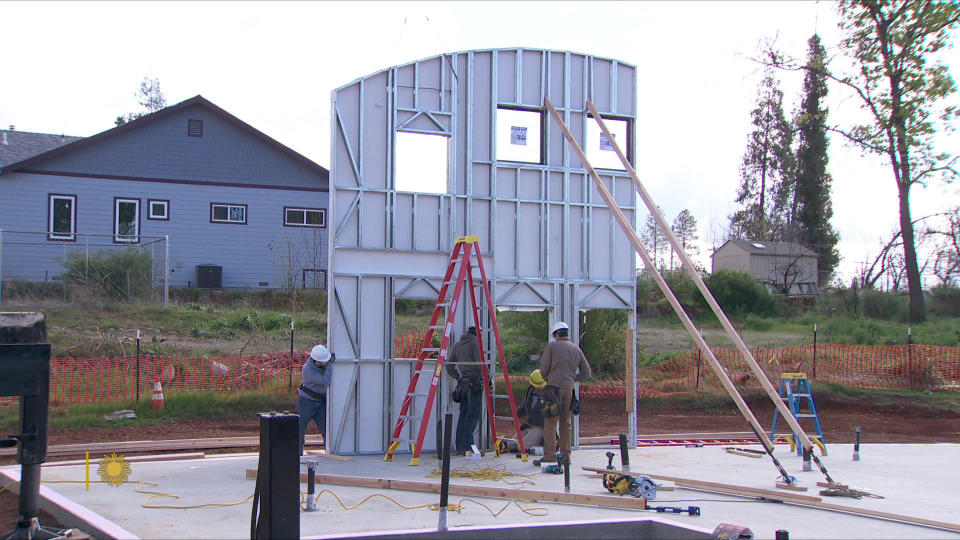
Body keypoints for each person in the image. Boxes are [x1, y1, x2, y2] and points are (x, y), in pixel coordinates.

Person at [535, 321, 591, 467]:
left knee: (550, 423)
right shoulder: (576, 349)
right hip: (569, 390)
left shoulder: (552, 347)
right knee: (566, 423)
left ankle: (549, 456)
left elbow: (543, 369)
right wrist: (572, 379)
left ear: (557, 334)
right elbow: (587, 373)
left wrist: (548, 377)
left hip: (553, 390)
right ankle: (566, 456)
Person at [445, 326, 484, 455]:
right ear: (478, 334)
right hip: (475, 383)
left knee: (463, 415)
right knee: (472, 415)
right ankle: (469, 448)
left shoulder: (458, 345)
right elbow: (480, 365)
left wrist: (458, 377)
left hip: (464, 384)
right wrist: (487, 377)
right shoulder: (475, 343)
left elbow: (449, 365)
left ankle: (460, 447)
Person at [298, 344, 334, 456]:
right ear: (317, 361)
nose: (327, 361)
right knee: (300, 428)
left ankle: (330, 451)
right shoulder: (307, 370)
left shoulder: (320, 365)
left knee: (326, 429)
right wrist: (330, 365)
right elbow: (326, 381)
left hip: (320, 402)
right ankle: (297, 453)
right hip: (306, 402)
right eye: (325, 360)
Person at [508, 369, 547, 453]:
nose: (539, 388)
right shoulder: (530, 391)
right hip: (530, 425)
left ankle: (539, 445)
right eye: (537, 386)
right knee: (511, 445)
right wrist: (516, 415)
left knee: (521, 447)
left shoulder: (549, 394)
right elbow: (525, 407)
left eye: (541, 385)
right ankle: (532, 442)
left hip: (541, 427)